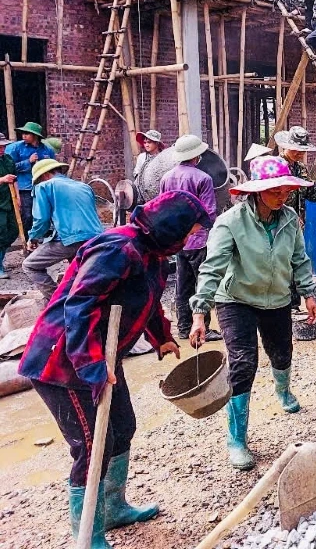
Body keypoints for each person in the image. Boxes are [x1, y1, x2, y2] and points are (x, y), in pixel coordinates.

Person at [18, 192, 210, 548]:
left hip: (102, 358)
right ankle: (88, 531)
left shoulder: (153, 255)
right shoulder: (117, 250)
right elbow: (80, 306)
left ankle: (114, 506)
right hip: (63, 362)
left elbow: (146, 301)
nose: (187, 241)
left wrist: (161, 338)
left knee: (122, 428)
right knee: (92, 445)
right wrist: (91, 365)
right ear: (169, 227)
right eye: (186, 233)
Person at [190, 156, 316, 470]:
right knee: (243, 362)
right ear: (256, 191)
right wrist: (200, 312)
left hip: (276, 298)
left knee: (282, 353)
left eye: (286, 190)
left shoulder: (289, 219)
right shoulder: (231, 222)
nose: (282, 196)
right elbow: (212, 268)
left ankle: (283, 390)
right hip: (237, 299)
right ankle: (236, 439)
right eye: (275, 190)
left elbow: (300, 259)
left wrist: (308, 293)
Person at [159, 135, 221, 341]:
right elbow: (209, 213)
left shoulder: (166, 178)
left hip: (177, 241)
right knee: (202, 283)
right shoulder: (203, 179)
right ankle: (204, 327)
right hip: (198, 241)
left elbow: (161, 208)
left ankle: (184, 327)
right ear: (197, 156)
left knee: (182, 284)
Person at [23, 159, 104, 300]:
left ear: (45, 175)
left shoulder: (44, 186)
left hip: (70, 239)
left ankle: (58, 301)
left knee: (30, 265)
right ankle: (83, 301)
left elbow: (41, 220)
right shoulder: (84, 187)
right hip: (96, 239)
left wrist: (33, 238)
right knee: (79, 272)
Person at [274, 127, 316, 219]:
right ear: (286, 146)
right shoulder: (275, 166)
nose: (300, 153)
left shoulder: (301, 168)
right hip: (279, 219)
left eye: (303, 150)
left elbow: (309, 189)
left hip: (297, 220)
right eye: (295, 149)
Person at [5, 121, 56, 233]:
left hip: (42, 185)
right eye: (23, 133)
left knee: (44, 212)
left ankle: (42, 236)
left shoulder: (47, 150)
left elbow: (54, 167)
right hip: (25, 187)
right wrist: (28, 161)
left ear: (35, 136)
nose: (24, 136)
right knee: (27, 215)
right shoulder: (16, 148)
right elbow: (11, 168)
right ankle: (28, 238)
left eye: (27, 134)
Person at [0, 134, 17, 279]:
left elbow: (14, 178)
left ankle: (1, 259)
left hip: (8, 201)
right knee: (0, 233)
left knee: (13, 231)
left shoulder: (8, 159)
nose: (2, 149)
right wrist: (2, 179)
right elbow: (6, 179)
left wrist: (18, 198)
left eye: (3, 146)